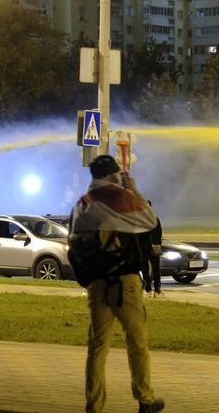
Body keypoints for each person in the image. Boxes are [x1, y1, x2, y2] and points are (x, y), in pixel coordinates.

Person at [69, 155, 164, 413]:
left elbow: (74, 245)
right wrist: (132, 189)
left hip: (97, 286)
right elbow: (149, 221)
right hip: (125, 283)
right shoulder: (118, 198)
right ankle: (145, 400)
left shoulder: (82, 205)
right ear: (113, 175)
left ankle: (94, 406)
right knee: (137, 343)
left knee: (97, 347)